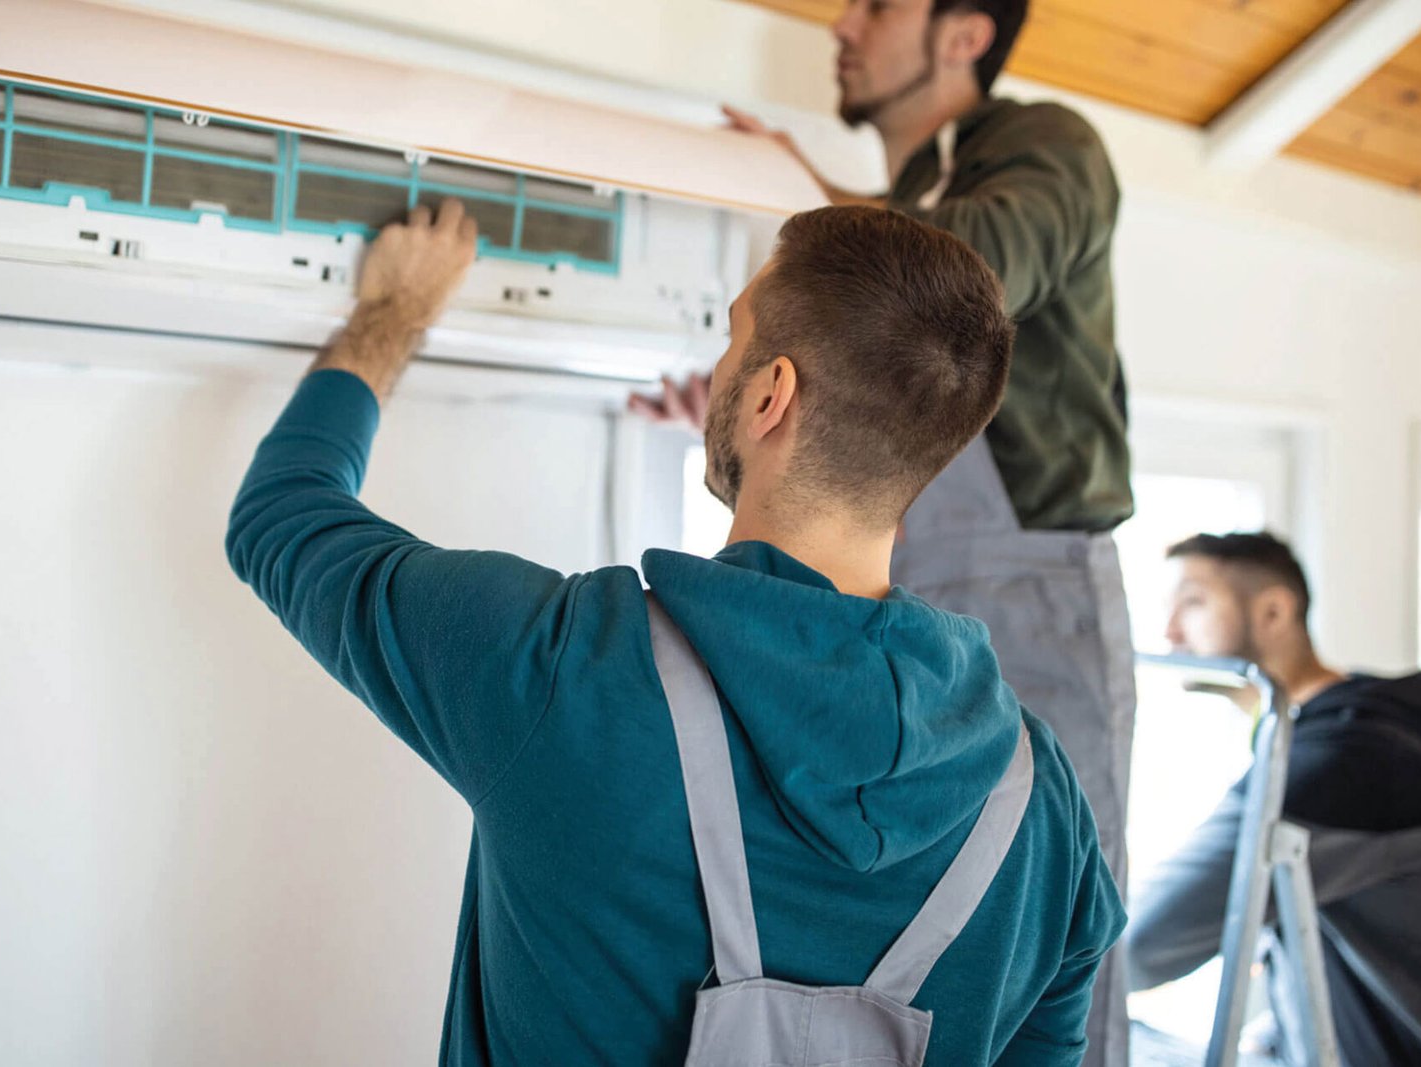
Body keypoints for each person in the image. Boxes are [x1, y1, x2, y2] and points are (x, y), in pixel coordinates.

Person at [226, 200, 1124, 1063]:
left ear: (771, 394)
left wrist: (394, 310)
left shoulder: (565, 666)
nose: (719, 366)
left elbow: (282, 515)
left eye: (732, 338)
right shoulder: (1042, 804)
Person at [640, 3, 1136, 1061]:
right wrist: (751, 413)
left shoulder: (1044, 145)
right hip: (896, 590)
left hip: (1029, 580)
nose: (845, 21)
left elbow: (957, 296)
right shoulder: (911, 195)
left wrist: (816, 214)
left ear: (965, 34)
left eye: (878, 3)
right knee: (898, 929)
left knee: (1047, 925)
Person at [1127, 531, 1421, 1066]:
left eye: (1192, 603)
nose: (1169, 631)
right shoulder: (1386, 725)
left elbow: (1136, 946)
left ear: (1273, 611)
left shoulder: (1348, 761)